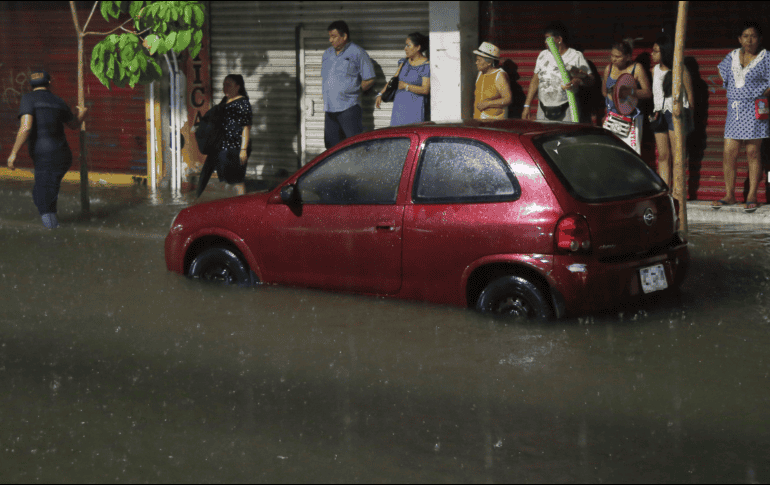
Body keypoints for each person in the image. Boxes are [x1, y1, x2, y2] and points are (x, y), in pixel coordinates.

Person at [6, 70, 88, 229]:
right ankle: (53, 226)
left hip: (45, 157)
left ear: (31, 84)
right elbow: (74, 125)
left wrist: (13, 153)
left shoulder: (28, 99)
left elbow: (25, 127)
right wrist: (83, 114)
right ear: (49, 83)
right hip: (63, 155)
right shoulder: (58, 101)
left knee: (43, 200)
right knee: (42, 192)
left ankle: (54, 237)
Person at [711, 22, 770, 213]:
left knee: (753, 153)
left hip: (755, 109)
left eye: (753, 36)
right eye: (745, 36)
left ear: (759, 39)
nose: (749, 39)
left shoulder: (766, 57)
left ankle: (752, 194)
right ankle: (730, 195)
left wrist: (759, 94)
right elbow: (723, 75)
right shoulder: (732, 56)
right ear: (739, 39)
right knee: (730, 153)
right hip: (735, 110)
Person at [523, 22, 593, 123]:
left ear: (559, 39)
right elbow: (535, 81)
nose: (545, 42)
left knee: (567, 137)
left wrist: (577, 81)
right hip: (543, 108)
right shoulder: (543, 55)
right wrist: (527, 105)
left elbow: (590, 80)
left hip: (567, 107)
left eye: (547, 38)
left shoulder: (575, 56)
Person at [650, 34, 695, 188]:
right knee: (663, 155)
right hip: (658, 113)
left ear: (665, 51)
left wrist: (688, 117)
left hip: (675, 113)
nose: (652, 54)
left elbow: (689, 96)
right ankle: (666, 189)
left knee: (678, 155)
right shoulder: (654, 70)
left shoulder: (680, 69)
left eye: (656, 51)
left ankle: (678, 189)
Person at [322, 20, 375, 149]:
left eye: (334, 36)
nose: (330, 40)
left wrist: (353, 91)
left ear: (344, 36)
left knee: (353, 146)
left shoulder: (357, 52)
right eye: (329, 36)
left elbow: (370, 78)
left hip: (349, 108)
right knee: (331, 147)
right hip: (330, 108)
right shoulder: (327, 54)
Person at [196, 74, 251, 198]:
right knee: (226, 180)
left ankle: (242, 205)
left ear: (238, 87)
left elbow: (246, 128)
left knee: (237, 181)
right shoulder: (224, 101)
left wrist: (243, 150)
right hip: (222, 148)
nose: (225, 88)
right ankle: (230, 207)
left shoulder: (242, 103)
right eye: (224, 85)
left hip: (236, 148)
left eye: (228, 85)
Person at [601, 38, 652, 154]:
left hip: (632, 119)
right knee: (610, 153)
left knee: (630, 154)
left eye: (618, 57)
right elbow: (604, 92)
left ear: (628, 57)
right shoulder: (608, 69)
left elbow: (648, 93)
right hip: (612, 118)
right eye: (612, 55)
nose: (613, 59)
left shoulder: (637, 69)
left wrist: (629, 92)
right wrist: (612, 97)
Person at [375, 32, 430, 126]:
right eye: (405, 45)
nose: (405, 48)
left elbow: (425, 90)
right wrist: (381, 93)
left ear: (418, 47)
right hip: (399, 107)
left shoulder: (425, 66)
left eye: (408, 45)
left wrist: (406, 86)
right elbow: (394, 80)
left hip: (415, 109)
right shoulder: (404, 62)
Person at [472, 42, 512, 120]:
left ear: (489, 62)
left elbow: (508, 99)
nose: (476, 62)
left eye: (479, 60)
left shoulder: (499, 76)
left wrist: (488, 104)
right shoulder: (480, 73)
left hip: (494, 122)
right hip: (479, 120)